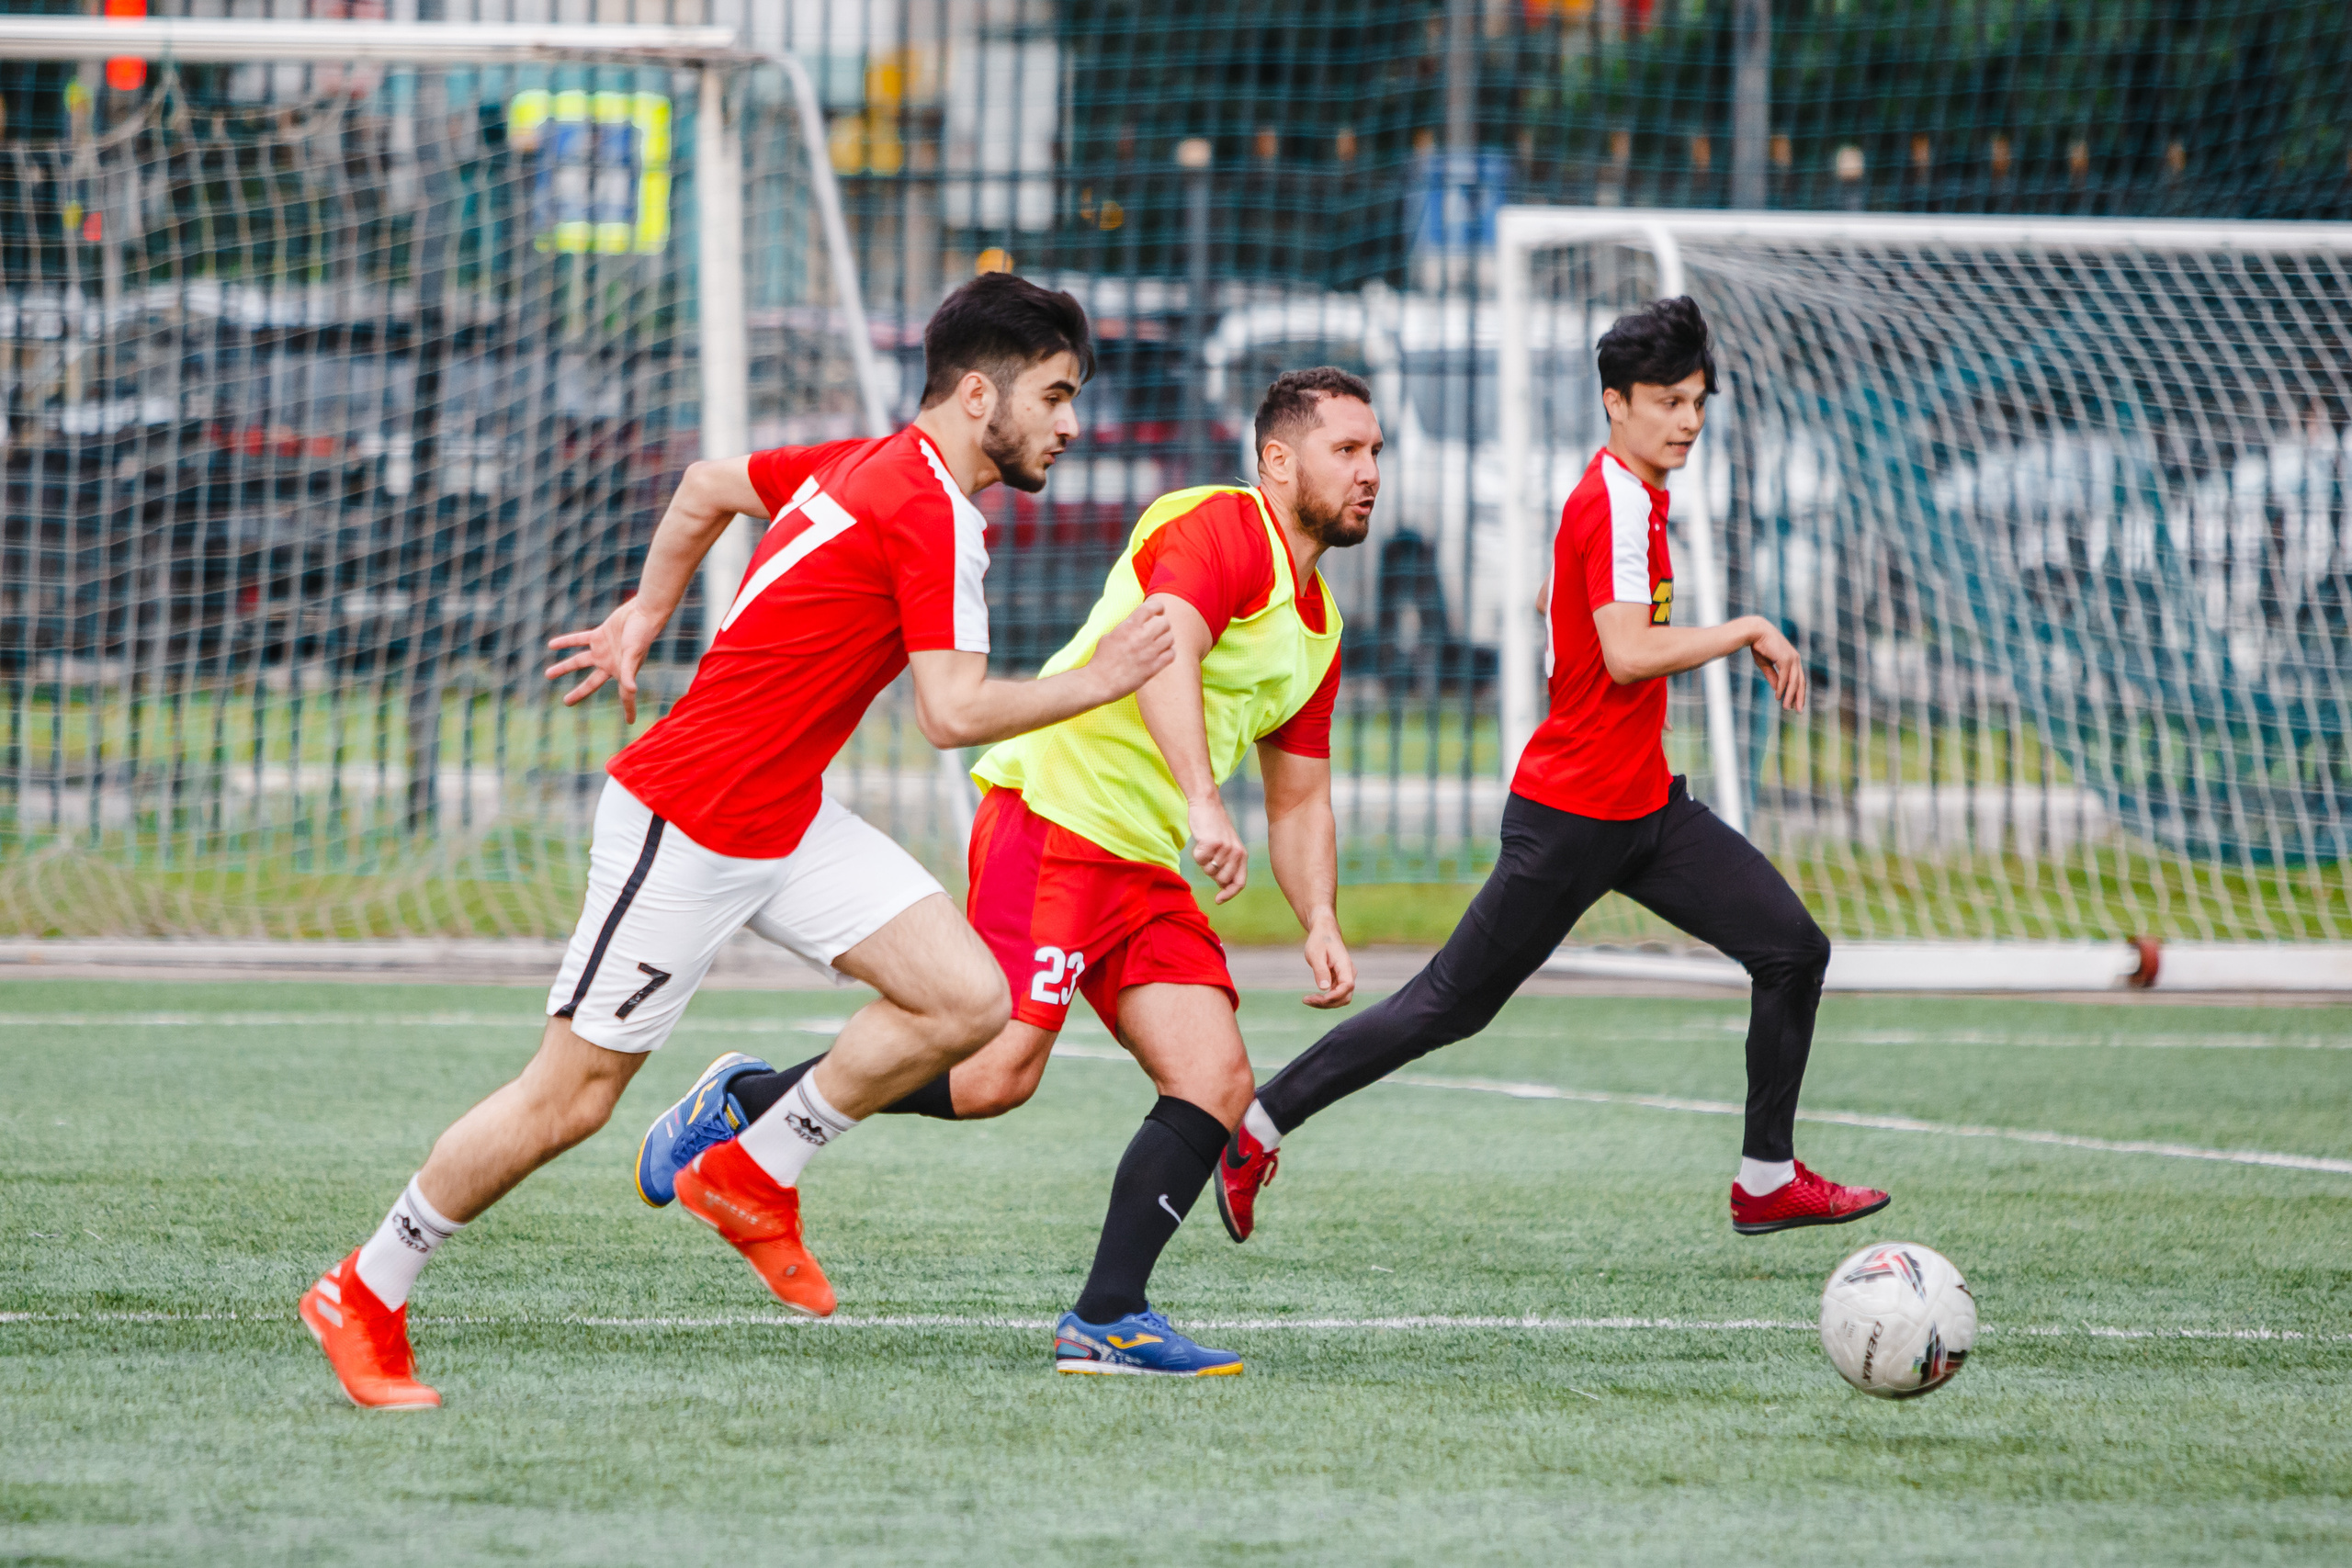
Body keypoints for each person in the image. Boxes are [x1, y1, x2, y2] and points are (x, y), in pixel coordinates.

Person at [298, 273, 1176, 1409]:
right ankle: (365, 1289)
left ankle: (755, 1168)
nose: (1069, 423)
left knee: (967, 1002)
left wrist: (643, 615)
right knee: (570, 1100)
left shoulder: (861, 460)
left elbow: (709, 484)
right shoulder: (930, 511)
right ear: (975, 396)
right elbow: (949, 714)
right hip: (690, 819)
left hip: (783, 814)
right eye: (1055, 395)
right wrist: (1099, 680)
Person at [649, 367, 1381, 1375]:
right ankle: (750, 1102)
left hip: (1139, 860)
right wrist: (1204, 801)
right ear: (1278, 460)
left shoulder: (1319, 627)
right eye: (1347, 451)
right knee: (995, 1075)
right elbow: (1163, 650)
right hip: (1054, 820)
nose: (1369, 473)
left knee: (1214, 1080)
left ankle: (1107, 1319)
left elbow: (1299, 797)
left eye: (1376, 453)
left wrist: (1319, 919)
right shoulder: (1218, 526)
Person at [1214, 298, 1888, 1248]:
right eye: (1666, 400)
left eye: (1698, 401)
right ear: (1615, 403)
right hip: (1571, 819)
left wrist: (1568, 604)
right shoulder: (1614, 495)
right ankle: (1256, 1128)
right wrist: (1746, 629)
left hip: (1644, 809)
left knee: (1792, 951)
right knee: (1447, 1006)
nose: (1687, 420)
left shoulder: (1626, 496)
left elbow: (1558, 600)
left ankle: (1766, 1178)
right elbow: (1621, 654)